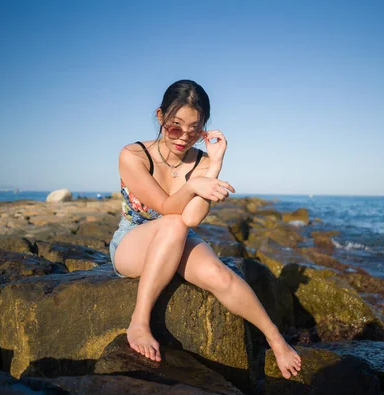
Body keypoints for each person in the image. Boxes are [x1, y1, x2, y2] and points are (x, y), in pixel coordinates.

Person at [109, 79, 301, 379]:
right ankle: (139, 321)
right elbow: (168, 208)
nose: (183, 138)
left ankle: (275, 338)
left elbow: (193, 218)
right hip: (133, 239)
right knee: (171, 223)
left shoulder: (200, 161)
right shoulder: (133, 156)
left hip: (177, 233)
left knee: (219, 274)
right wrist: (195, 186)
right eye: (175, 126)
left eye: (194, 130)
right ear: (160, 117)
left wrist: (214, 164)